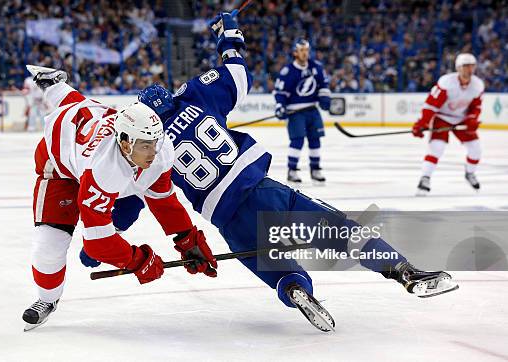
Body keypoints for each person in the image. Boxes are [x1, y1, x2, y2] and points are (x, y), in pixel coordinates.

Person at [104, 13, 457, 332]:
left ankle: (295, 289)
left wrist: (111, 239)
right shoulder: (195, 96)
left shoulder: (147, 145)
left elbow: (131, 204)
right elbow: (239, 75)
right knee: (342, 232)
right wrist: (229, 35)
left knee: (275, 268)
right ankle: (404, 272)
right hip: (260, 190)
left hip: (225, 218)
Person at [21, 65, 217, 331]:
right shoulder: (103, 168)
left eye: (155, 142)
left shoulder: (159, 149)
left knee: (74, 103)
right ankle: (46, 300)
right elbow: (95, 242)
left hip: (87, 115)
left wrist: (187, 238)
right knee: (49, 246)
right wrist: (138, 261)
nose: (153, 152)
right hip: (58, 165)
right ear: (125, 143)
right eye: (145, 145)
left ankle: (54, 84)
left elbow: (162, 198)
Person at [412, 53, 484, 195]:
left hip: (462, 119)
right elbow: (431, 105)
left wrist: (472, 119)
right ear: (458, 68)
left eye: (472, 66)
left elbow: (476, 107)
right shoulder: (447, 82)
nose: (469, 70)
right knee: (437, 148)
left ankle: (470, 173)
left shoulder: (478, 85)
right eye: (466, 66)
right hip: (442, 118)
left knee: (476, 149)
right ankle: (425, 178)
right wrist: (422, 123)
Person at [273, 38, 331, 184]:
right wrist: (280, 106)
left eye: (306, 50)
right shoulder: (288, 72)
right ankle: (292, 170)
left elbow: (323, 84)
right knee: (297, 140)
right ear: (295, 53)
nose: (305, 53)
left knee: (315, 140)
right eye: (301, 50)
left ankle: (315, 169)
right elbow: (280, 93)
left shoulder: (316, 67)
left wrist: (324, 97)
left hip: (312, 109)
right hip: (295, 112)